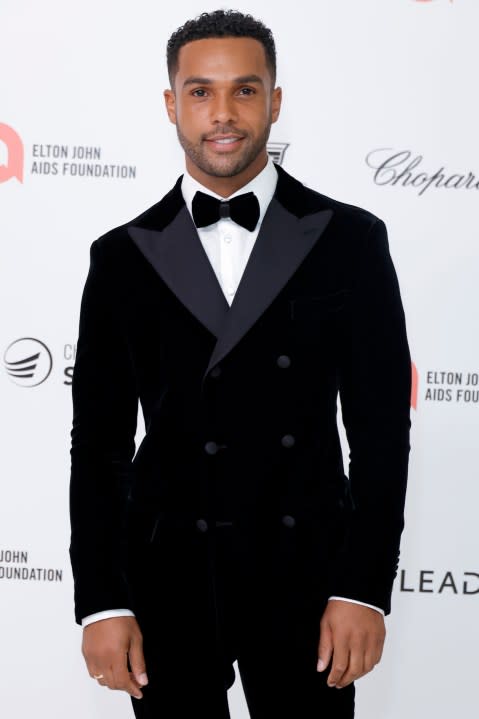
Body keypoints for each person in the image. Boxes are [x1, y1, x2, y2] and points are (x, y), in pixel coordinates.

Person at [69, 9, 411, 719]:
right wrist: (101, 598)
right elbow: (98, 447)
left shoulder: (350, 239)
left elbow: (380, 432)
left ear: (274, 100)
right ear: (171, 103)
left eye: (244, 90)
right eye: (199, 92)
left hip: (306, 579)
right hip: (165, 582)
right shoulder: (120, 256)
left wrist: (361, 587)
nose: (221, 114)